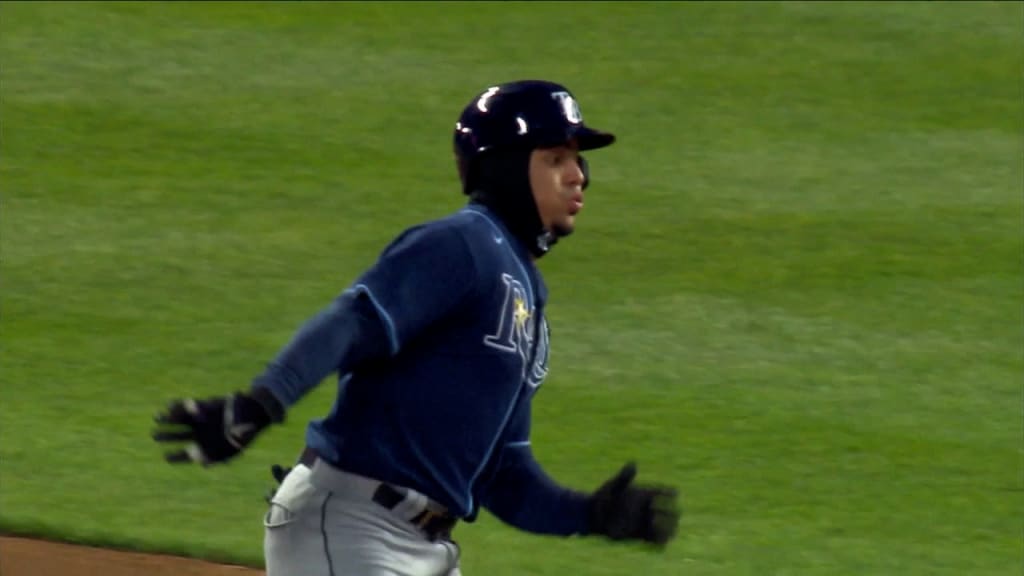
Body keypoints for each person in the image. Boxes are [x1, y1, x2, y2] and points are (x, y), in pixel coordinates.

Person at [153, 79, 680, 576]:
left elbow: (503, 473)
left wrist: (589, 514)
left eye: (577, 159)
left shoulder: (528, 297)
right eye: (556, 158)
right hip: (352, 525)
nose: (579, 174)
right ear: (505, 168)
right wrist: (259, 404)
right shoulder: (461, 244)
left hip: (426, 549)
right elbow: (353, 321)